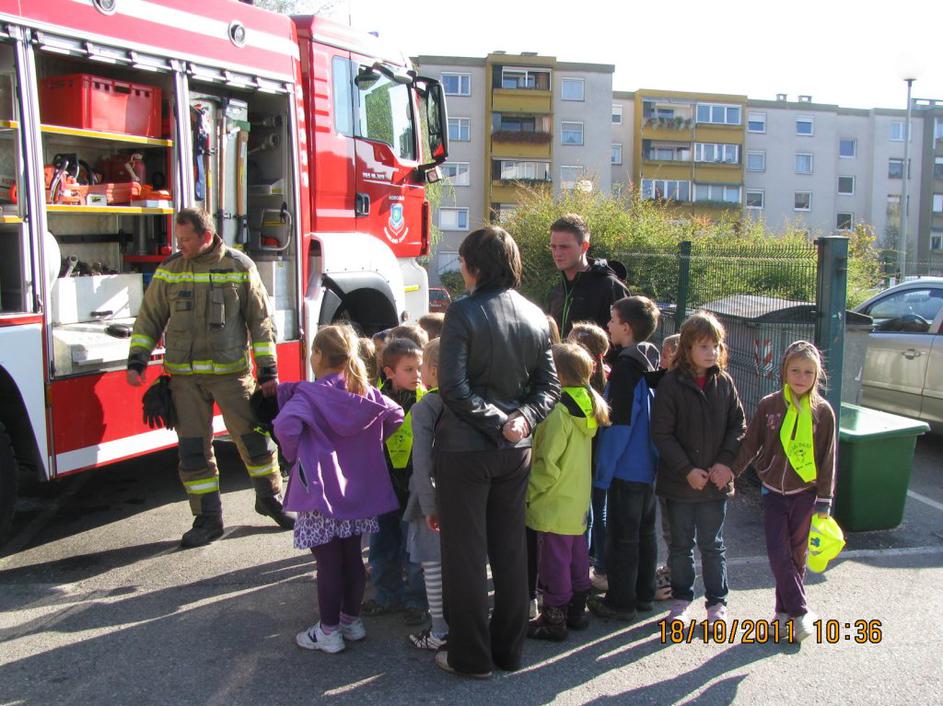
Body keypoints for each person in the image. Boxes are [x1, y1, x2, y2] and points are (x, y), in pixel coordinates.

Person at [434, 226, 560, 678]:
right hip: (515, 449)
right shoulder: (535, 314)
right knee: (510, 552)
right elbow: (550, 387)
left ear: (473, 266)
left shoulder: (463, 311)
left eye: (462, 262)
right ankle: (509, 651)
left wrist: (499, 420)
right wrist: (519, 420)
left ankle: (470, 658)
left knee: (465, 556)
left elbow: (452, 387)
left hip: (466, 449)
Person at [126, 207, 292, 548]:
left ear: (206, 236)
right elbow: (149, 317)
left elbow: (261, 322)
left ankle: (270, 499)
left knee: (255, 443)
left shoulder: (239, 267)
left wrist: (268, 371)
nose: (180, 245)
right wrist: (137, 359)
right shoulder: (171, 269)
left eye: (186, 239)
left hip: (232, 376)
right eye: (178, 239)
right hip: (184, 380)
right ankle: (207, 519)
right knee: (193, 452)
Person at [274, 324, 404, 654]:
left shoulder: (309, 394)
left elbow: (285, 426)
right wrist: (369, 446)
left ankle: (328, 631)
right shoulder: (364, 391)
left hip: (320, 491)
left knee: (328, 564)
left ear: (318, 355)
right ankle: (350, 621)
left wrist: (297, 455)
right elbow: (396, 414)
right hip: (358, 489)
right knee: (352, 558)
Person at [725, 341, 836, 641]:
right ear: (784, 371)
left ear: (817, 376)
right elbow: (751, 444)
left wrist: (824, 500)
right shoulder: (770, 405)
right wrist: (731, 472)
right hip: (773, 491)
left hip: (805, 493)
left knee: (796, 556)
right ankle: (801, 611)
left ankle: (783, 613)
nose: (801, 377)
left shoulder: (823, 412)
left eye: (808, 372)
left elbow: (828, 458)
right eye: (795, 370)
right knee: (778, 552)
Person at [651, 312, 746, 626]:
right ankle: (681, 601)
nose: (711, 352)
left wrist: (725, 463)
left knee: (712, 545)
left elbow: (738, 426)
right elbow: (661, 433)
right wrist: (686, 470)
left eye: (716, 345)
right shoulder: (670, 385)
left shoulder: (725, 383)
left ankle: (717, 603)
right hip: (680, 485)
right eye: (704, 346)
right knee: (680, 546)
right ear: (688, 347)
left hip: (714, 486)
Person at [526, 343, 609, 641]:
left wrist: (528, 493)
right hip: (576, 499)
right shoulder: (588, 405)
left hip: (552, 501)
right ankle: (576, 611)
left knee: (553, 563)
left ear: (557, 375)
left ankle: (554, 619)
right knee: (576, 556)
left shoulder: (558, 412)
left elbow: (547, 464)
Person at [588, 297, 661, 621]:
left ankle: (620, 602)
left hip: (625, 468)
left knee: (622, 538)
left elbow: (620, 426)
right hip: (647, 467)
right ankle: (643, 594)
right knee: (645, 534)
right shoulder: (650, 362)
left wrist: (603, 472)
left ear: (627, 328)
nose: (609, 325)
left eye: (613, 320)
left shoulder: (625, 369)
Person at [364, 338, 428, 624]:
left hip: (415, 490)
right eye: (409, 369)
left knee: (414, 550)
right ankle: (387, 595)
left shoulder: (427, 400)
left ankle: (417, 600)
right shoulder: (374, 400)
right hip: (383, 488)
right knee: (382, 546)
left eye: (420, 368)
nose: (417, 374)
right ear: (389, 372)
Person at [403, 338, 448, 650]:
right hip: (464, 497)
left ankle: (439, 631)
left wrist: (429, 505)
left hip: (430, 500)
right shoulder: (470, 401)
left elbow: (422, 463)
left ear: (433, 370)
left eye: (422, 368)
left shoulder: (426, 407)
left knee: (432, 565)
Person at [566, 320, 611, 591]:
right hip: (599, 460)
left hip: (584, 461)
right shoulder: (607, 378)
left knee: (587, 516)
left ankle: (581, 567)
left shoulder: (579, 389)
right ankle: (595, 564)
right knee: (596, 512)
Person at [546, 213, 630, 338]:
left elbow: (626, 341)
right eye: (553, 247)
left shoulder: (611, 288)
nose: (557, 253)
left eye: (564, 247)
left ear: (584, 246)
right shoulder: (557, 290)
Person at [655, 332, 680, 601]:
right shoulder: (665, 381)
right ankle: (674, 568)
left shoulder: (672, 387)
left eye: (665, 355)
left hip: (676, 471)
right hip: (670, 469)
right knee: (670, 526)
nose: (660, 361)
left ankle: (674, 576)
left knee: (674, 527)